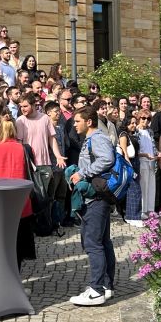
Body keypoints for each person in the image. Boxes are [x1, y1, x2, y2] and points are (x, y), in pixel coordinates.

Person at [68, 106, 116, 307]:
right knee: (103, 242)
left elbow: (107, 159)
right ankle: (105, 286)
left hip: (96, 199)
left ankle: (96, 290)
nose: (74, 124)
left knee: (93, 244)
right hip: (99, 198)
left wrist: (83, 173)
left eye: (77, 121)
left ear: (89, 122)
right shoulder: (94, 139)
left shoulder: (96, 138)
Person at [0, 119, 36, 270]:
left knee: (0, 242)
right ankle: (16, 276)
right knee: (18, 243)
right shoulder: (24, 149)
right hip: (21, 202)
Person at [15, 92, 65, 168]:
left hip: (45, 163)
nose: (22, 109)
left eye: (25, 106)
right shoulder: (20, 121)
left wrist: (58, 156)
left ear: (33, 105)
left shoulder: (45, 118)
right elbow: (19, 143)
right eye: (21, 106)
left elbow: (52, 138)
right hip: (29, 164)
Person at [135, 111, 157, 218]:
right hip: (142, 161)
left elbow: (152, 146)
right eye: (143, 118)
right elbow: (133, 150)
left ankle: (150, 209)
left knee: (151, 185)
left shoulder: (150, 131)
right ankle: (142, 210)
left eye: (148, 119)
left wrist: (157, 153)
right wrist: (144, 155)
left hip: (152, 161)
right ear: (139, 118)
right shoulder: (136, 131)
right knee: (143, 186)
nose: (145, 121)